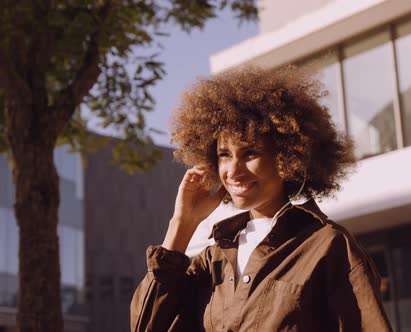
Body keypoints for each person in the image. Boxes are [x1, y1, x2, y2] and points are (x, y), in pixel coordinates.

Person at [130, 66, 393, 331]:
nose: (233, 171)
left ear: (287, 157)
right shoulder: (213, 260)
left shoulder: (329, 246)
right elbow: (145, 327)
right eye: (224, 155)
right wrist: (183, 223)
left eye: (250, 153)